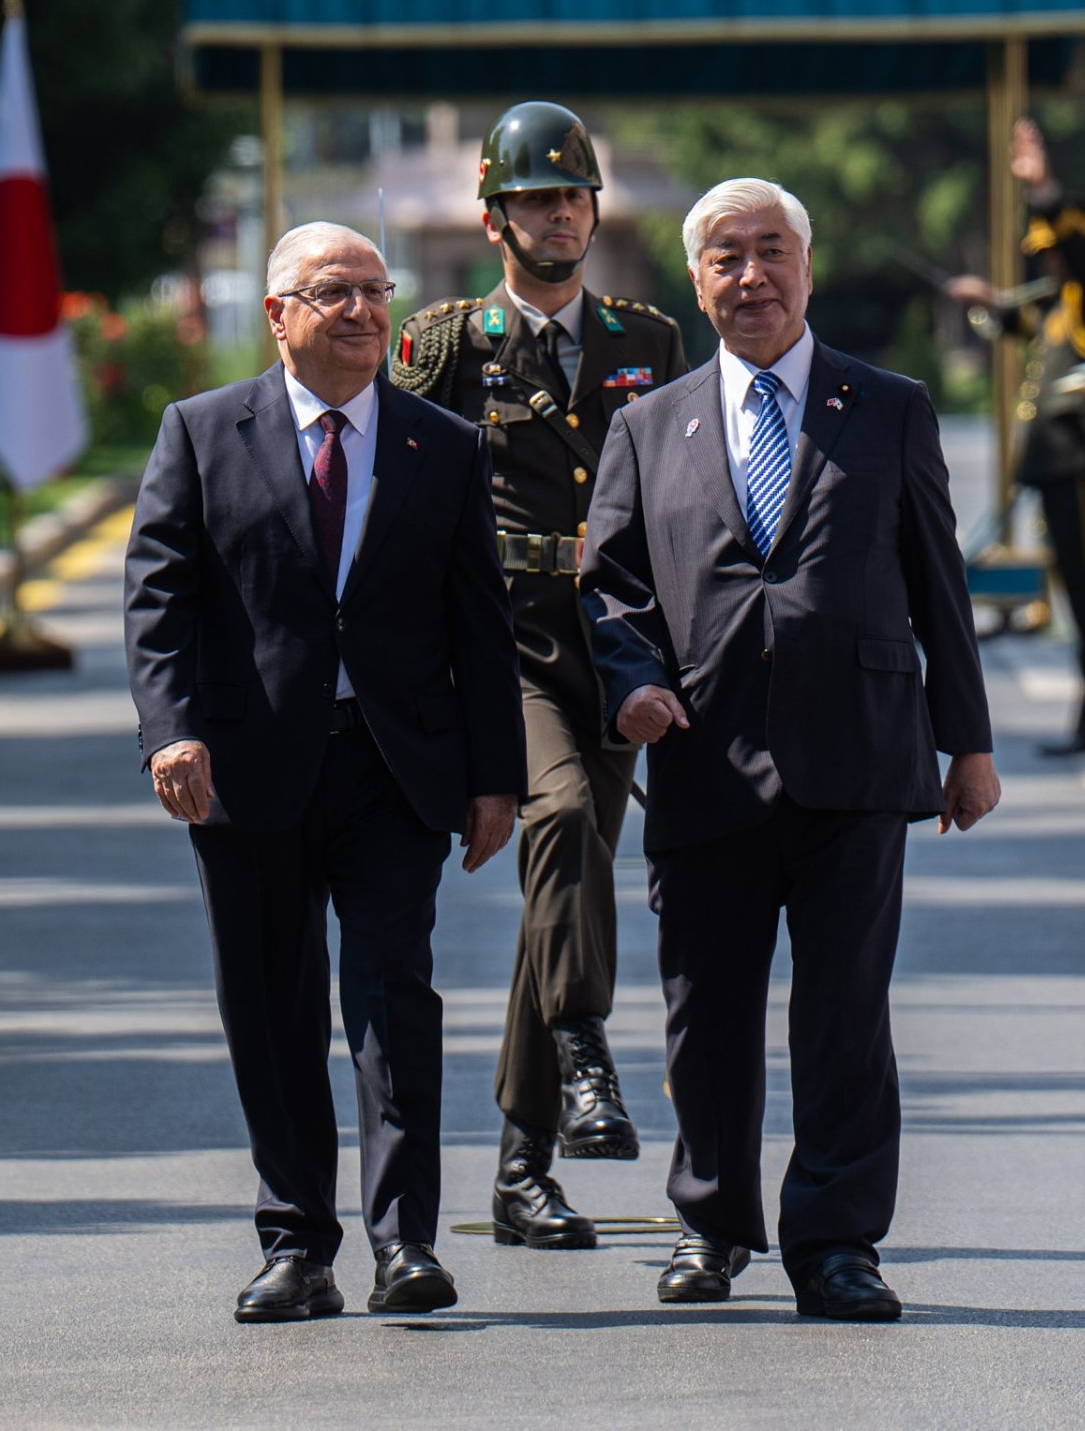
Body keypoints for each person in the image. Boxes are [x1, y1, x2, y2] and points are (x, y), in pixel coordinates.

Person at [584, 177, 997, 1322]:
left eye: (772, 250)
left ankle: (838, 1240)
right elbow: (611, 588)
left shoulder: (890, 407)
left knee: (846, 1011)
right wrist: (632, 685)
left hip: (858, 752)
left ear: (808, 268)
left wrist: (967, 741)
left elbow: (939, 582)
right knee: (705, 1009)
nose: (752, 274)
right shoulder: (647, 426)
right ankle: (712, 1223)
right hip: (705, 755)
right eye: (727, 256)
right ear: (697, 280)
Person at [123, 221, 524, 1323]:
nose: (361, 311)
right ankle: (297, 1243)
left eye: (374, 291)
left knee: (393, 997)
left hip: (394, 769)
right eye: (333, 292)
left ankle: (406, 1242)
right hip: (245, 769)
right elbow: (158, 599)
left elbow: (481, 626)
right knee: (271, 1006)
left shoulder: (443, 444)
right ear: (278, 315)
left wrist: (496, 775)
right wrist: (171, 731)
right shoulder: (202, 432)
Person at [392, 101, 686, 1250]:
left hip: (612, 648)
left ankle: (522, 1172)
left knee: (559, 894)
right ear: (494, 218)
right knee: (558, 819)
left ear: (594, 211)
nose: (557, 215)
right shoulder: (446, 346)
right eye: (533, 200)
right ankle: (584, 1046)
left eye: (572, 196)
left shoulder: (647, 341)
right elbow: (400, 505)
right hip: (502, 648)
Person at [948, 117, 1085, 753]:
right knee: (1079, 596)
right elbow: (1013, 317)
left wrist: (1044, 188)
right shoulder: (1058, 307)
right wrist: (982, 298)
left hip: (1079, 463)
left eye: (1054, 250)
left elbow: (1080, 267)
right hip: (1057, 468)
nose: (1046, 261)